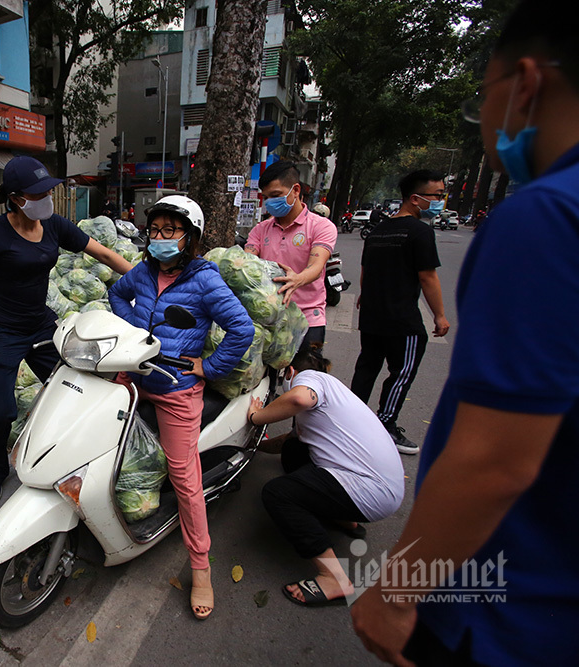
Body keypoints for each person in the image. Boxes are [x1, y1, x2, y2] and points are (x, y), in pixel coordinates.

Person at [351, 3, 579, 664]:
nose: (485, 115)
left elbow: (495, 459)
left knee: (383, 375)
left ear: (526, 83)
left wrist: (396, 591)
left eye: (484, 93)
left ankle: (384, 426)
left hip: (507, 607)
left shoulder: (546, 218)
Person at [0, 156, 132, 506]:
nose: (46, 197)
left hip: (41, 325)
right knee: (3, 411)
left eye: (48, 190)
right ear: (15, 197)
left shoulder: (54, 225)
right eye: (37, 193)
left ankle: (59, 454)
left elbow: (103, 254)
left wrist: (150, 282)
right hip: (2, 331)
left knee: (73, 391)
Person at [108, 195, 253, 620]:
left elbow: (241, 329)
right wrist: (134, 330)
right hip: (133, 377)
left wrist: (209, 367)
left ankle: (201, 567)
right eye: (156, 230)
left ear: (189, 237)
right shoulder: (143, 272)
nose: (160, 238)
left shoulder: (205, 281)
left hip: (176, 389)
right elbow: (117, 294)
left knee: (184, 477)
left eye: (170, 231)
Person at [249, 345, 404, 607]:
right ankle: (345, 519)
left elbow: (299, 399)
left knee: (277, 494)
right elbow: (289, 440)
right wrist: (253, 447)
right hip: (383, 484)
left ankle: (334, 578)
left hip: (370, 490)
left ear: (290, 371)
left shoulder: (309, 379)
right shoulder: (335, 392)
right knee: (294, 450)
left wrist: (256, 417)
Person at [350, 170, 450, 455]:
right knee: (402, 372)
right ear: (416, 199)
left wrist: (365, 297)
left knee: (366, 369)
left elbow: (365, 270)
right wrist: (440, 315)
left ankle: (351, 421)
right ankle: (386, 424)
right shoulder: (420, 232)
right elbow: (427, 277)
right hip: (402, 320)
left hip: (371, 316)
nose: (440, 200)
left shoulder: (379, 229)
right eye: (437, 196)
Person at [245, 161, 337, 350]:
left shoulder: (321, 226)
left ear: (295, 190)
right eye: (266, 197)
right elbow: (247, 261)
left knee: (305, 377)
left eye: (276, 195)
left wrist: (298, 279)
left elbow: (316, 264)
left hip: (308, 319)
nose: (270, 202)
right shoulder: (260, 230)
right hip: (267, 319)